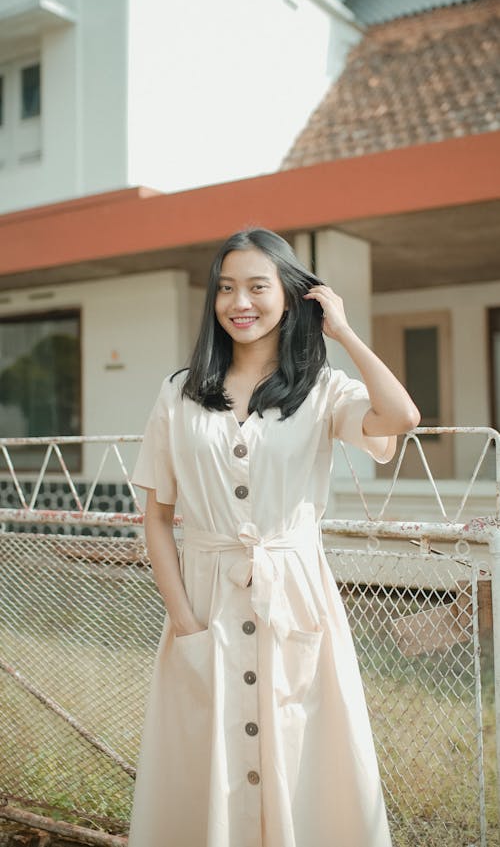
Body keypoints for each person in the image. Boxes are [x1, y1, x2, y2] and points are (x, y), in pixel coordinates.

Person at [128, 227, 420, 847]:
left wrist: (340, 330)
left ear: (290, 295)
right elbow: (155, 516)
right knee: (205, 769)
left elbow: (400, 417)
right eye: (227, 288)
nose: (241, 302)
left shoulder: (321, 391)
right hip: (205, 604)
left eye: (259, 286)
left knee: (307, 767)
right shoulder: (178, 395)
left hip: (295, 600)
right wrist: (184, 621)